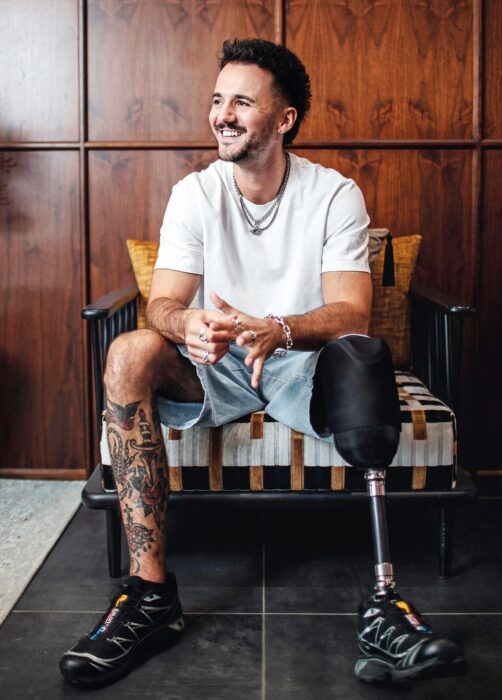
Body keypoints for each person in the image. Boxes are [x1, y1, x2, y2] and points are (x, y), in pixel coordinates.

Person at [60, 38, 463, 687]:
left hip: (300, 363)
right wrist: (186, 322)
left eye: (241, 101)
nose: (222, 113)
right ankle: (151, 596)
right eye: (217, 100)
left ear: (284, 119)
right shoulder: (195, 193)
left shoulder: (334, 194)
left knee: (363, 353)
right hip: (215, 363)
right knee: (131, 346)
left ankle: (387, 606)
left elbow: (352, 312)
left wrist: (276, 328)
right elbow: (161, 302)